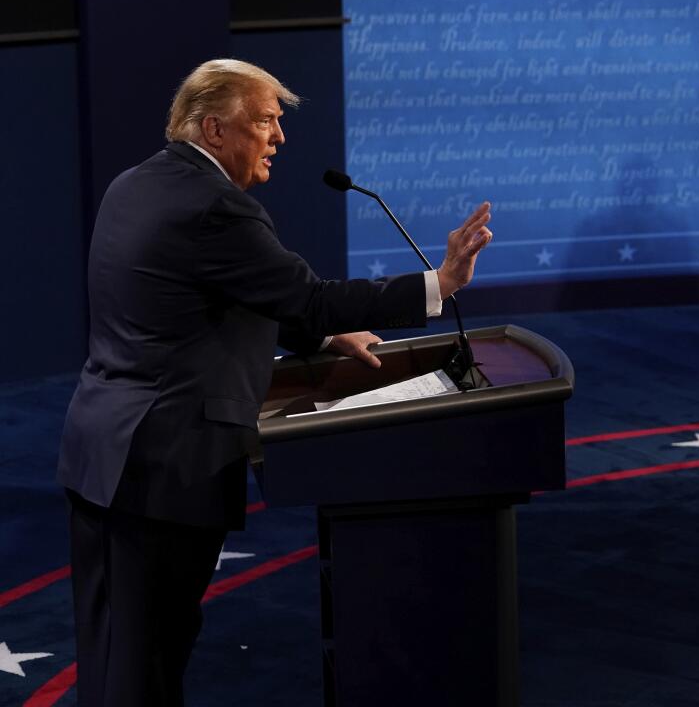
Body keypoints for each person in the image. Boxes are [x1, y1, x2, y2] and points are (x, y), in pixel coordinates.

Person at [57, 58, 493, 706]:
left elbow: (194, 300)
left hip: (104, 452)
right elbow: (307, 298)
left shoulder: (135, 184)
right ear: (213, 130)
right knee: (146, 656)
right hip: (165, 466)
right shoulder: (216, 208)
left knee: (118, 648)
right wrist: (440, 284)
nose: (279, 137)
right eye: (264, 121)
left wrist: (316, 340)